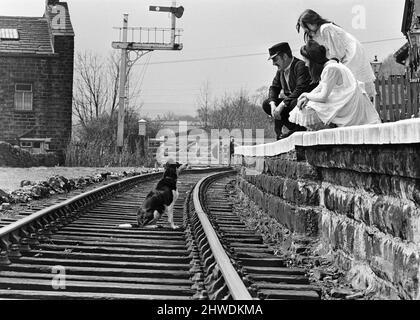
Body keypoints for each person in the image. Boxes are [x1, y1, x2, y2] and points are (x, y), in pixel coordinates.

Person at [288, 40, 381, 130]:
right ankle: (329, 128)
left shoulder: (331, 68)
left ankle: (329, 131)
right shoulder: (331, 66)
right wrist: (307, 98)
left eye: (306, 61)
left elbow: (323, 97)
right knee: (304, 106)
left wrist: (305, 94)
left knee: (305, 110)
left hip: (347, 105)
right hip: (343, 100)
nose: (306, 65)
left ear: (313, 61)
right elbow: (320, 87)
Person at [296, 9, 376, 100]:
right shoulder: (319, 33)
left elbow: (338, 52)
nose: (306, 30)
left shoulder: (325, 28)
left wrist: (330, 66)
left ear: (312, 22)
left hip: (351, 56)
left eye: (306, 26)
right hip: (345, 57)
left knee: (352, 85)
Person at [262, 42, 315, 140]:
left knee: (295, 102)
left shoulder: (300, 66)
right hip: (290, 103)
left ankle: (299, 128)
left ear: (285, 56)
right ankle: (291, 129)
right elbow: (274, 87)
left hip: (304, 103)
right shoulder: (280, 71)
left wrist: (282, 105)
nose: (273, 63)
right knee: (266, 104)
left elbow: (300, 89)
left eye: (275, 59)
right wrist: (273, 104)